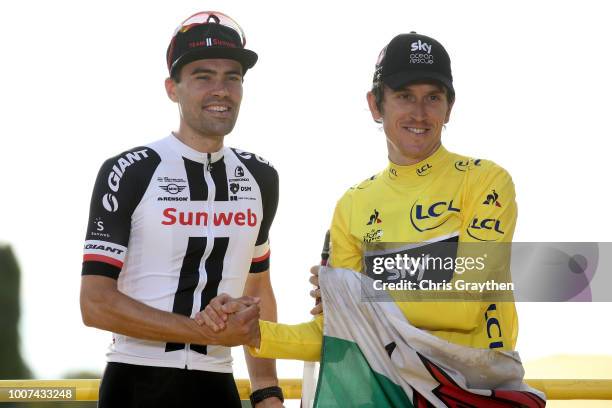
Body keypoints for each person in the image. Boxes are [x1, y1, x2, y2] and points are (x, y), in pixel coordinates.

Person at [200, 32, 545, 407]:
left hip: (478, 395)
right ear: (375, 105)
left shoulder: (486, 180)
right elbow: (338, 335)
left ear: (449, 107)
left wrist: (356, 284)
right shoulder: (354, 204)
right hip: (391, 394)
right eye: (404, 96)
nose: (419, 112)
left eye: (433, 97)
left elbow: (463, 304)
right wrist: (253, 332)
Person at [79, 11, 283, 408]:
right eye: (203, 76)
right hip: (136, 384)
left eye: (233, 77)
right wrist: (199, 331)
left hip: (218, 386)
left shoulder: (261, 176)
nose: (221, 90)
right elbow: (95, 302)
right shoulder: (130, 170)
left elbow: (257, 288)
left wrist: (266, 390)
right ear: (173, 88)